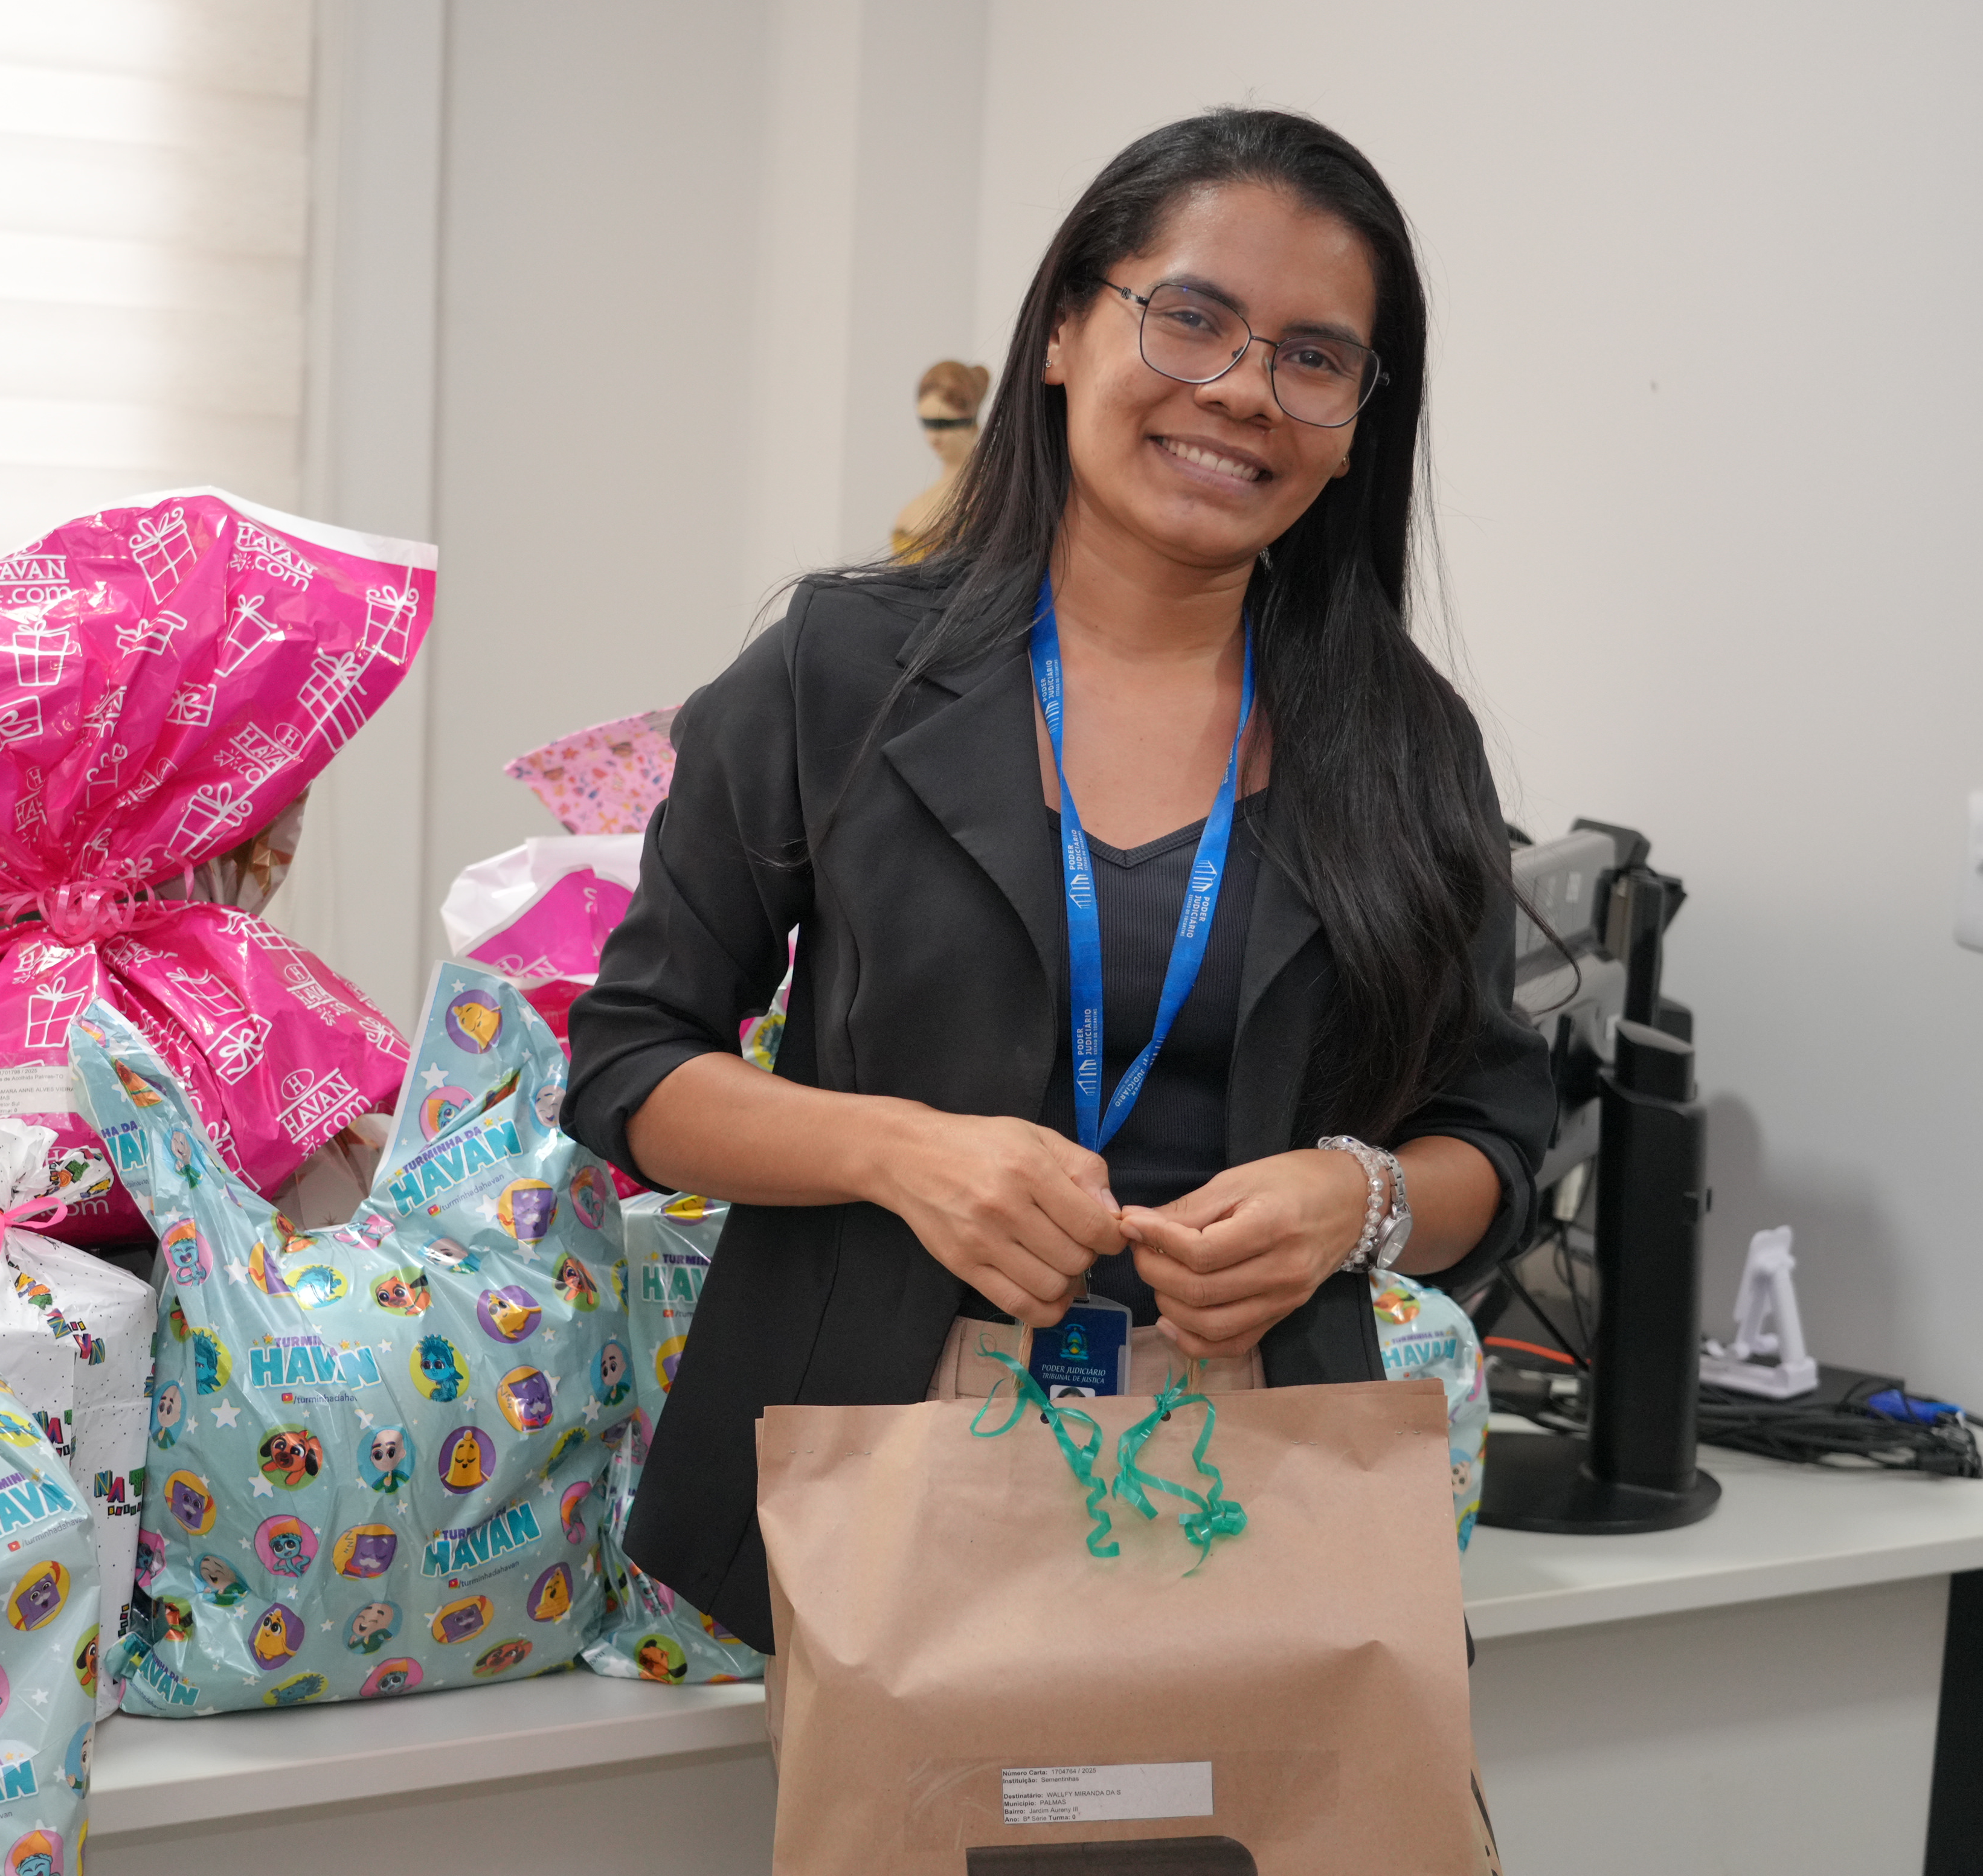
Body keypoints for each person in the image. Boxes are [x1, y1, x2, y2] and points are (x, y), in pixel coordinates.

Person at [565, 105, 1554, 1658]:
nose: (1239, 390)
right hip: (878, 1474)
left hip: (1256, 1475)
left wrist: (1344, 1198)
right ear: (1062, 329)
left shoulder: (1404, 740)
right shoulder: (842, 668)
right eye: (1190, 318)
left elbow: (1490, 1135)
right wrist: (900, 1153)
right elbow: (630, 1062)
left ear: (1360, 417)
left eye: (1311, 356)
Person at [891, 359, 991, 560]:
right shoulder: (914, 508)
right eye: (927, 424)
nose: (933, 437)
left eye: (944, 423)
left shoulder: (988, 495)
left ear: (972, 423)